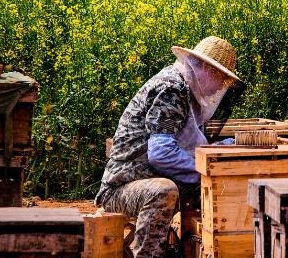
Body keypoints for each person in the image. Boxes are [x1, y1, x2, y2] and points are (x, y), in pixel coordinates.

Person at [95, 36, 242, 258]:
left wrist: (238, 144)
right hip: (123, 188)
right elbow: (161, 154)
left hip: (148, 179)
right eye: (220, 78)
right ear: (203, 68)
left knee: (225, 188)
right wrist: (208, 172)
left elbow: (193, 147)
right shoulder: (171, 90)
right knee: (164, 191)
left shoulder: (187, 91)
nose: (220, 87)